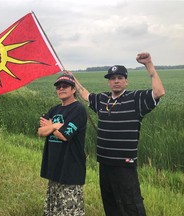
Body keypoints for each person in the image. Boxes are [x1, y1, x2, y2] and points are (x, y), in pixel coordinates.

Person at [68, 52, 165, 216]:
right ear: (109, 83)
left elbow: (159, 92)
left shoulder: (135, 99)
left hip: (124, 163)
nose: (116, 81)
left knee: (130, 203)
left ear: (126, 81)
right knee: (110, 201)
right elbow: (85, 94)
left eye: (120, 77)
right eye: (112, 78)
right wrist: (72, 78)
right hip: (104, 162)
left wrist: (149, 64)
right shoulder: (102, 99)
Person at [38, 73, 88, 216]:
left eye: (65, 86)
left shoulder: (78, 110)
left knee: (69, 210)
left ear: (73, 90)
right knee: (53, 209)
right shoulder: (54, 110)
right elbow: (40, 131)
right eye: (58, 87)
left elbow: (65, 135)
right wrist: (56, 126)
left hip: (71, 169)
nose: (61, 89)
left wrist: (51, 126)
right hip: (54, 166)